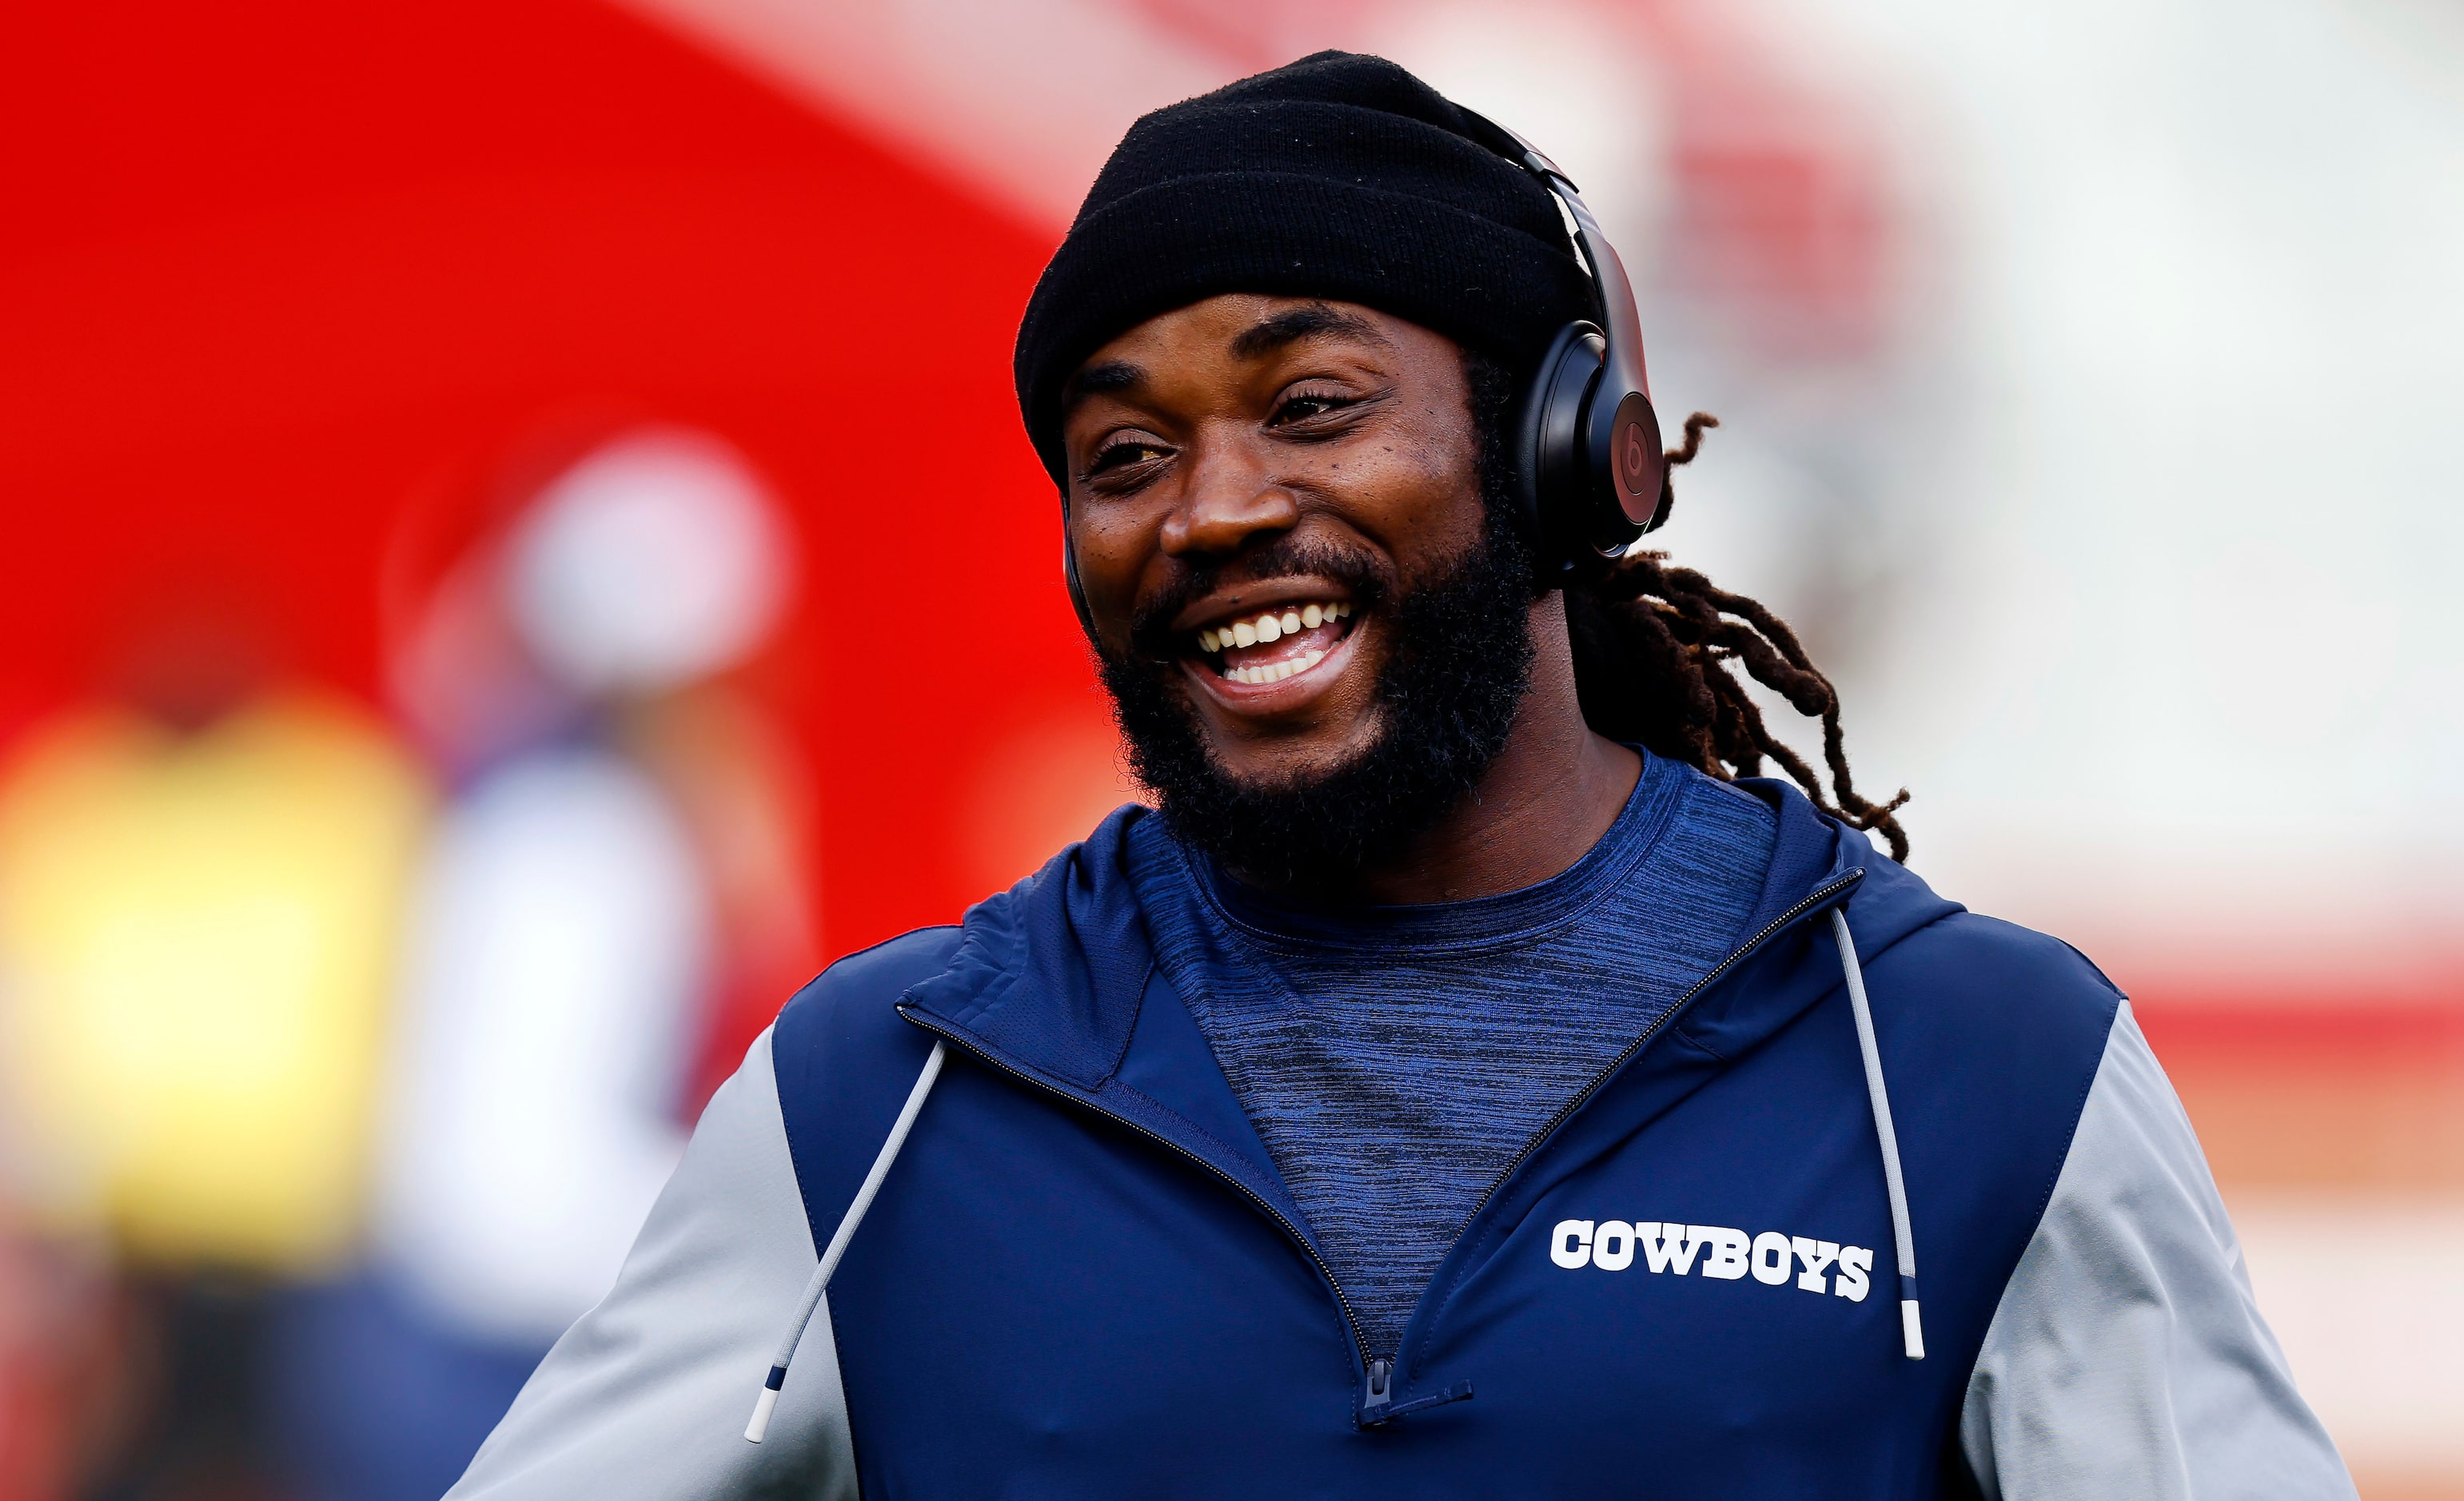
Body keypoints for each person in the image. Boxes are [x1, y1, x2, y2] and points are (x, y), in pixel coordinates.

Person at [449, 53, 2352, 1498]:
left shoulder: (1975, 1068)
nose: (1211, 509)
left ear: (1560, 458)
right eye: (1121, 457)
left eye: (1311, 407)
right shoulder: (874, 1102)